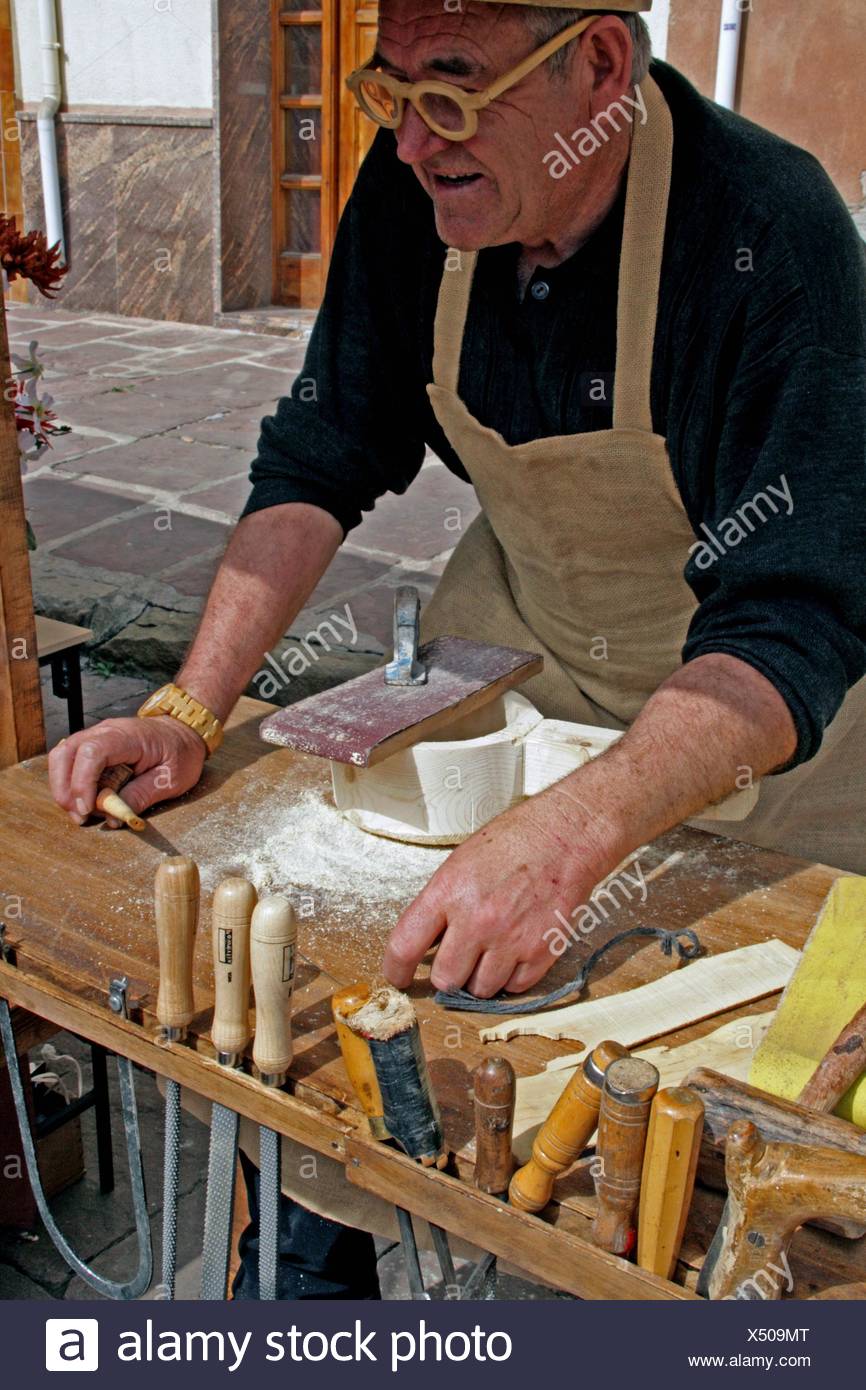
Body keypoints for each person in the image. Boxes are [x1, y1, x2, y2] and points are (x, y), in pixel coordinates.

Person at [49, 0, 866, 1297]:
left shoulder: (768, 232)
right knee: (354, 990)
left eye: (453, 82)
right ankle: (315, 1293)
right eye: (393, 90)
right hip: (527, 639)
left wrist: (568, 839)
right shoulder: (414, 195)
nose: (416, 139)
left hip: (761, 712)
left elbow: (795, 611)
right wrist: (193, 711)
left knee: (718, 1122)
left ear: (598, 61)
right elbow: (324, 450)